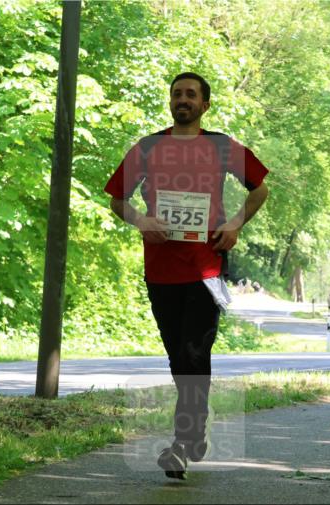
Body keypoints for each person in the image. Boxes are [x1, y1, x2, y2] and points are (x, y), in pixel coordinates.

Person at [105, 72, 270, 479]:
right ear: (170, 101)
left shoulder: (221, 146)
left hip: (206, 267)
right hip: (160, 268)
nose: (183, 99)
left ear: (205, 104)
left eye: (191, 94)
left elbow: (260, 189)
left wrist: (234, 225)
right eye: (177, 93)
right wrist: (141, 220)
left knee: (194, 352)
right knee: (179, 356)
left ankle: (182, 442)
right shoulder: (148, 147)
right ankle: (194, 432)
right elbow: (117, 200)